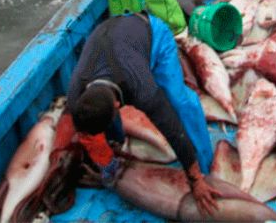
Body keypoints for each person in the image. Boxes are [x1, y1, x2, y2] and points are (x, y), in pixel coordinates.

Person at [66, 12, 219, 215]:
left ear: (118, 104)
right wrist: (106, 162)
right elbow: (86, 132)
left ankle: (205, 163)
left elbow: (173, 130)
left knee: (179, 101)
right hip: (109, 37)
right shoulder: (75, 95)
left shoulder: (141, 89)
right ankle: (116, 144)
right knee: (100, 128)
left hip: (152, 34)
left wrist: (195, 180)